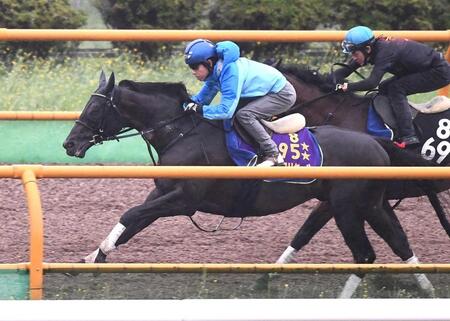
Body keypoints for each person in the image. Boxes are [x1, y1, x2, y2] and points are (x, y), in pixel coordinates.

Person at [183, 39, 297, 166]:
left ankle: (273, 154)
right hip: (266, 92)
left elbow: (225, 111)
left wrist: (199, 109)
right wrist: (184, 105)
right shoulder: (215, 73)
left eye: (194, 67)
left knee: (244, 115)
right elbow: (200, 100)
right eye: (190, 67)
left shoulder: (230, 72)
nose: (192, 72)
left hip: (282, 94)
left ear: (209, 63)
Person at [333, 26, 450, 147]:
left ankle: (409, 135)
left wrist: (347, 87)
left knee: (396, 89)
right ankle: (392, 126)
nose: (353, 57)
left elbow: (371, 83)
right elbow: (348, 69)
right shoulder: (370, 48)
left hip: (439, 72)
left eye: (354, 53)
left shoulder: (385, 52)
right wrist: (326, 79)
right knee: (384, 87)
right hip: (422, 68)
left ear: (367, 49)